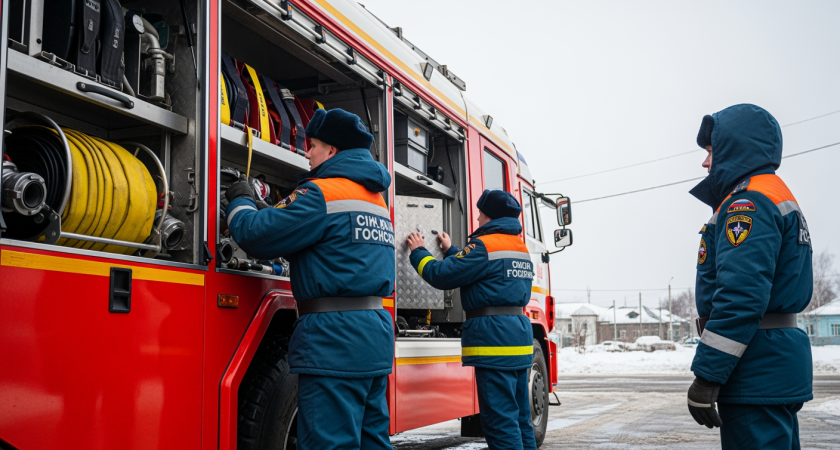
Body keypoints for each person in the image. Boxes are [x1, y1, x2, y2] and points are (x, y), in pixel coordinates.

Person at [225, 108, 395, 449]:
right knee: (372, 440)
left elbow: (255, 234)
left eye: (312, 145)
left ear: (331, 150)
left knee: (328, 442)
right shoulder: (376, 198)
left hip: (334, 340)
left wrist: (241, 199)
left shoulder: (321, 194)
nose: (307, 152)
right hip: (373, 338)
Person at [686, 104, 813, 450]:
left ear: (733, 147)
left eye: (711, 151)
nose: (705, 162)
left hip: (755, 369)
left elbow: (741, 296)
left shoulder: (747, 202)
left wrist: (708, 375)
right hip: (773, 365)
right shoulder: (775, 193)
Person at [406, 190, 537, 450]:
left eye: (479, 214)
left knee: (500, 423)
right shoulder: (519, 247)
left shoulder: (483, 246)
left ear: (489, 216)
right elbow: (483, 271)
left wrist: (419, 251)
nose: (477, 219)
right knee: (521, 419)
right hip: (518, 340)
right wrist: (454, 250)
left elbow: (441, 275)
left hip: (494, 342)